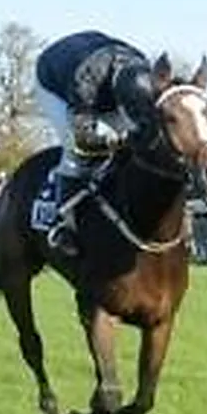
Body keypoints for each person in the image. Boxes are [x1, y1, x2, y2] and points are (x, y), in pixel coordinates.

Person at [33, 30, 158, 255]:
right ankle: (62, 225)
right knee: (76, 153)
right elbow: (84, 138)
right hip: (54, 82)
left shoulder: (143, 71)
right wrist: (117, 140)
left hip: (96, 62)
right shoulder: (86, 81)